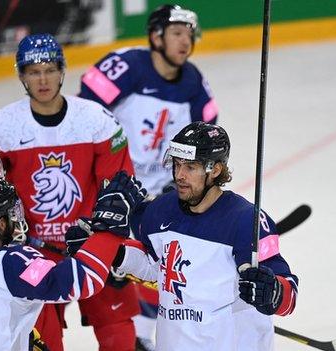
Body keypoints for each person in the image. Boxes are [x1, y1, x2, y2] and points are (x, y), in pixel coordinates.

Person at [0, 33, 138, 351]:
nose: (43, 79)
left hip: (91, 245)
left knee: (118, 331)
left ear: (62, 71)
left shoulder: (96, 120)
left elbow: (119, 186)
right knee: (43, 342)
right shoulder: (1, 127)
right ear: (22, 76)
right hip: (32, 253)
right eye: (34, 71)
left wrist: (111, 238)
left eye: (50, 69)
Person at [78, 6, 218, 346]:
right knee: (111, 269)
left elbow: (209, 141)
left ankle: (140, 336)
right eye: (177, 33)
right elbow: (83, 117)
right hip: (111, 190)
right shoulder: (125, 66)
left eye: (189, 34)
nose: (185, 41)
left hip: (163, 192)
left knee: (167, 262)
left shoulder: (193, 82)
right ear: (156, 37)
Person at [108, 122, 299, 350]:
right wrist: (115, 253)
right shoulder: (159, 211)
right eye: (177, 164)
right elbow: (155, 268)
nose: (179, 175)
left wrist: (274, 293)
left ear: (215, 170)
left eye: (190, 167)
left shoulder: (247, 220)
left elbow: (289, 296)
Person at [0, 171, 145, 351]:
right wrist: (109, 229)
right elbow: (81, 280)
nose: (17, 217)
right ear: (1, 224)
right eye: (11, 213)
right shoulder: (13, 265)